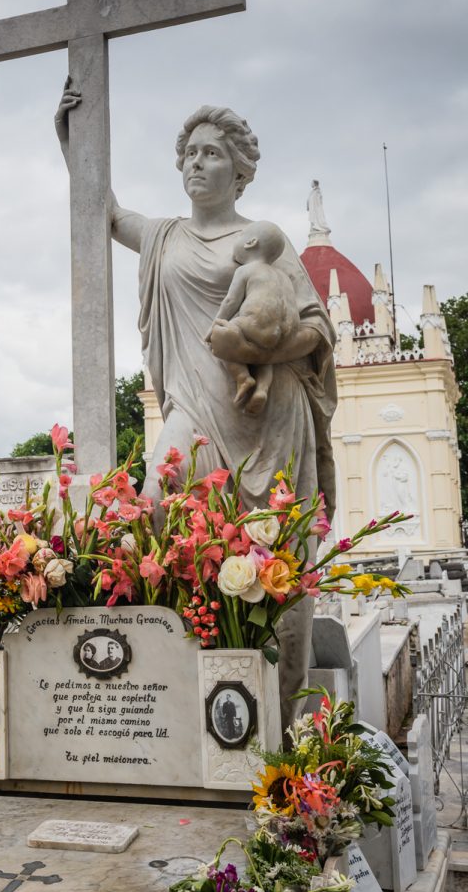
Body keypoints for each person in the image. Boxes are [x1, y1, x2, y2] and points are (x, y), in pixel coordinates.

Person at [55, 86, 337, 728]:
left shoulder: (264, 241)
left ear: (239, 170)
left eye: (212, 154)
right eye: (189, 153)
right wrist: (72, 140)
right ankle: (178, 696)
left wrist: (256, 341)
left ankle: (286, 716)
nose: (196, 163)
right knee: (158, 500)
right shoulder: (164, 238)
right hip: (194, 410)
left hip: (271, 416)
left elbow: (316, 328)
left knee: (281, 564)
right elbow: (104, 210)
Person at [207, 221, 300, 416]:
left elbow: (231, 301)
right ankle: (262, 390)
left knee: (222, 338)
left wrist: (214, 324)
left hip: (256, 321)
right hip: (286, 330)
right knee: (266, 356)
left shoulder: (246, 270)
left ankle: (243, 377)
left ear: (250, 242)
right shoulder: (282, 275)